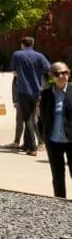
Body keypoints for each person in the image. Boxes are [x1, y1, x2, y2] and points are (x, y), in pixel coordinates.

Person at [10, 37, 49, 155]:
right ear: (32, 44)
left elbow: (14, 71)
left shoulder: (17, 54)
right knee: (32, 117)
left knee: (28, 119)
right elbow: (48, 69)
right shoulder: (40, 56)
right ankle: (27, 144)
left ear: (22, 44)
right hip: (36, 91)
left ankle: (33, 147)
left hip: (23, 91)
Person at [39, 62, 72, 198]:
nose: (61, 76)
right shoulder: (46, 94)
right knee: (57, 176)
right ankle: (60, 203)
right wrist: (44, 137)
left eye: (64, 73)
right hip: (53, 141)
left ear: (68, 74)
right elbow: (41, 118)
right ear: (51, 76)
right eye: (57, 74)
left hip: (71, 140)